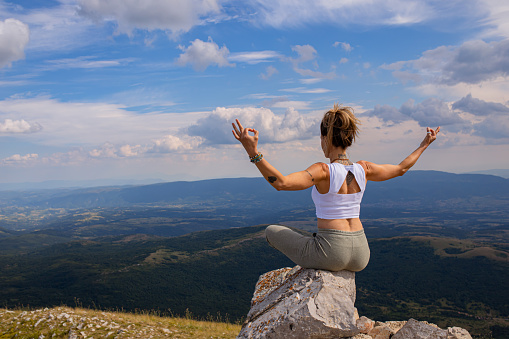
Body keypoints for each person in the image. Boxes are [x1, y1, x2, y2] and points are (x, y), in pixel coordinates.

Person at [232, 104, 440, 272]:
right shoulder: (364, 169)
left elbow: (281, 183)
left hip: (331, 252)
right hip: (361, 252)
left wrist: (253, 152)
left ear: (326, 138)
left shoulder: (323, 171)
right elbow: (401, 168)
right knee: (305, 235)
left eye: (321, 139)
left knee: (271, 231)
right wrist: (425, 143)